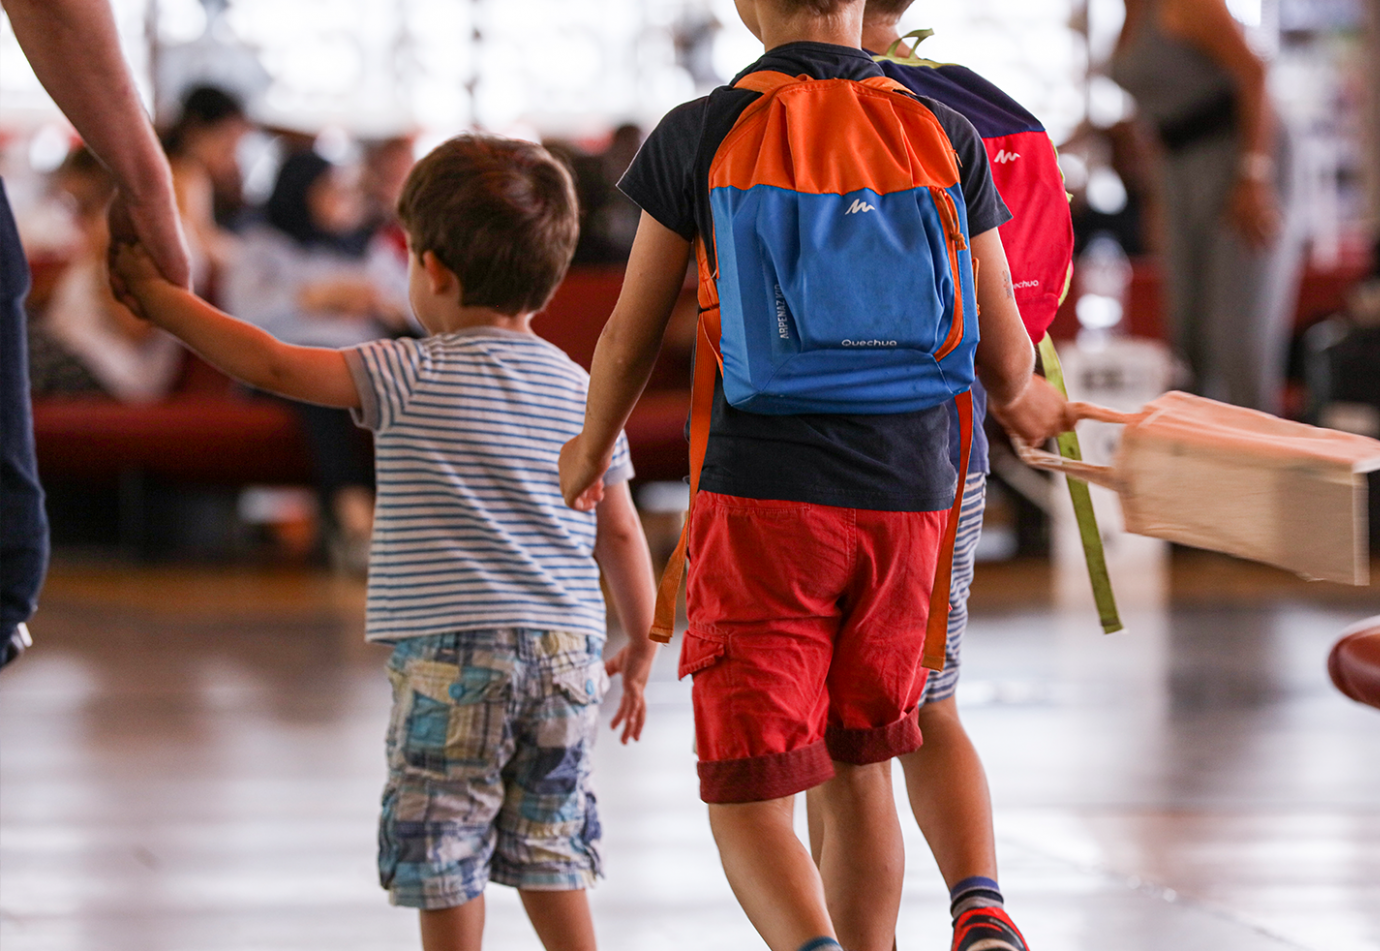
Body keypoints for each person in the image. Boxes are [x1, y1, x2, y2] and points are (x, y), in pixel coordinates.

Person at [556, 3, 1071, 951]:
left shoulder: (702, 128)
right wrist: (1038, 405)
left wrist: (591, 448)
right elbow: (1006, 363)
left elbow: (631, 333)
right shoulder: (945, 131)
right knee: (866, 756)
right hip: (914, 495)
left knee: (751, 785)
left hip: (766, 496)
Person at [111, 132, 658, 951]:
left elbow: (273, 363)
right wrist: (643, 637)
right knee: (551, 841)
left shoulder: (407, 369)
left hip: (454, 656)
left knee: (444, 844)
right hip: (567, 653)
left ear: (431, 269)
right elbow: (617, 523)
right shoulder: (582, 386)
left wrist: (162, 302)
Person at [802, 7, 1074, 951]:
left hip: (802, 462)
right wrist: (1023, 390)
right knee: (931, 700)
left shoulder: (775, 112)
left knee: (844, 740)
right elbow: (1008, 345)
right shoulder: (967, 113)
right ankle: (982, 904)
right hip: (943, 449)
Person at [1, 0, 193, 669]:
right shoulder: (98, 236)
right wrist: (143, 185)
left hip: (104, 369)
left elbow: (135, 322)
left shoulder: (117, 249)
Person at [1109, 0, 1304, 413]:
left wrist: (1255, 176)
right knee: (1188, 337)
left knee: (1236, 338)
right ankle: (1203, 465)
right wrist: (1156, 199)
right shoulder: (1131, 12)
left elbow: (1255, 73)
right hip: (1179, 172)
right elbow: (1156, 114)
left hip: (1241, 159)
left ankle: (1259, 466)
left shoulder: (1187, 6)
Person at [224, 149, 412, 568]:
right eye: (331, 191)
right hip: (280, 367)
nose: (343, 201)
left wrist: (379, 303)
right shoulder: (261, 244)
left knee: (395, 384)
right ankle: (356, 522)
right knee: (319, 385)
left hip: (365, 364)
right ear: (301, 192)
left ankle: (413, 527)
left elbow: (415, 307)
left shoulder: (368, 248)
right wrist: (315, 298)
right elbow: (241, 315)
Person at [28, 147, 181, 402]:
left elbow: (135, 331)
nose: (76, 215)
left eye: (81, 204)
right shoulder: (96, 240)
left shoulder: (141, 238)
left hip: (108, 374)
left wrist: (103, 254)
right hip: (73, 356)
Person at [160, 85, 251, 289]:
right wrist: (248, 260)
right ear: (195, 131)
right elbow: (201, 241)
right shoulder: (186, 174)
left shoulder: (172, 168)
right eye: (228, 145)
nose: (233, 159)